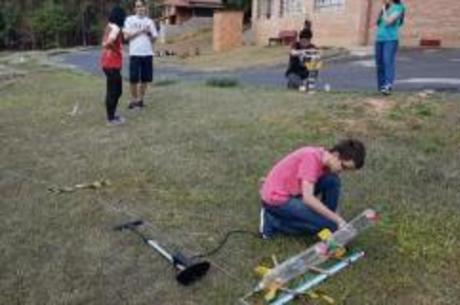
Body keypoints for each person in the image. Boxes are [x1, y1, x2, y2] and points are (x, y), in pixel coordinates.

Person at [259, 139, 366, 239]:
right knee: (329, 226)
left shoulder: (324, 159)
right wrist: (338, 220)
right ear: (335, 155)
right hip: (277, 199)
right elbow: (308, 198)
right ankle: (273, 222)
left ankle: (325, 222)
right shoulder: (311, 158)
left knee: (333, 180)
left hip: (294, 191)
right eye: (344, 167)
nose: (343, 171)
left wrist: (334, 217)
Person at [123, 0, 158, 109]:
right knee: (133, 79)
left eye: (142, 6)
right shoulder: (129, 20)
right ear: (135, 8)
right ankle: (133, 100)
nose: (140, 8)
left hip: (147, 53)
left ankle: (140, 100)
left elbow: (154, 39)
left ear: (145, 8)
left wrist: (149, 33)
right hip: (135, 54)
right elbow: (126, 37)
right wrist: (141, 30)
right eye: (138, 6)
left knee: (145, 79)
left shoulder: (150, 21)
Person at [100, 6, 126, 125]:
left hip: (107, 63)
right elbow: (108, 43)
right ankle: (111, 119)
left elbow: (104, 43)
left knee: (115, 90)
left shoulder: (109, 26)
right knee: (114, 91)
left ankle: (112, 115)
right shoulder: (115, 28)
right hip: (111, 64)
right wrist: (117, 50)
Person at [375, 0, 405, 95]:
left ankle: (388, 86)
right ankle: (381, 87)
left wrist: (383, 8)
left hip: (390, 40)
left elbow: (388, 22)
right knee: (379, 64)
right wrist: (384, 8)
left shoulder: (399, 7)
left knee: (388, 62)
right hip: (379, 39)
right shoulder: (387, 7)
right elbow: (379, 24)